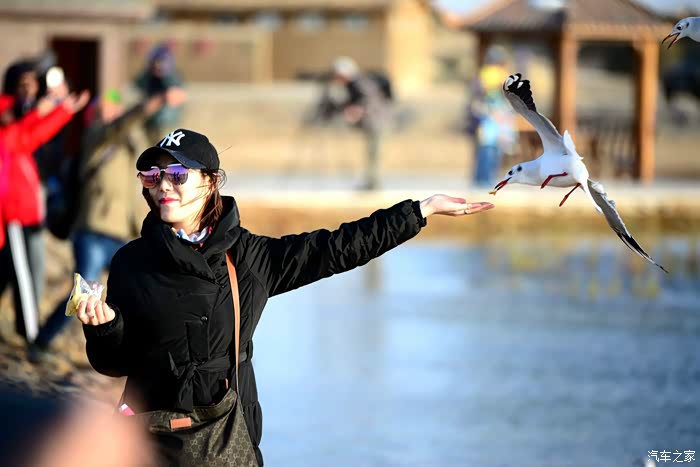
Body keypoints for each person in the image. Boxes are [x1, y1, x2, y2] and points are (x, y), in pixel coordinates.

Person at [76, 128, 494, 466]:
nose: (164, 187)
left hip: (225, 438)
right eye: (152, 177)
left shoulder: (250, 258)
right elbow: (115, 363)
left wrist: (420, 211)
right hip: (148, 441)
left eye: (177, 175)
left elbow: (337, 247)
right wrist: (104, 328)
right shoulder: (131, 261)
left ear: (210, 181)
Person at [29, 89, 174, 361]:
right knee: (84, 292)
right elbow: (119, 125)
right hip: (93, 231)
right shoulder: (95, 135)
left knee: (138, 290)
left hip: (121, 235)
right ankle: (42, 342)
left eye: (115, 104)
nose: (112, 109)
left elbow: (151, 152)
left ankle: (138, 353)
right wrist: (154, 102)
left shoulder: (129, 141)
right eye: (105, 105)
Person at [0, 90, 90, 343]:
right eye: (9, 112)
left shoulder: (12, 138)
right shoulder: (7, 139)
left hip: (21, 217)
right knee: (23, 279)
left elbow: (29, 129)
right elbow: (33, 132)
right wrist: (61, 110)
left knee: (11, 273)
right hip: (14, 217)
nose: (14, 115)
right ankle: (31, 336)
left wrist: (56, 108)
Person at [326, 56, 393, 190]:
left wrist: (357, 110)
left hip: (377, 122)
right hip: (373, 123)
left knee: (374, 153)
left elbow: (370, 100)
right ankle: (371, 182)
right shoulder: (352, 84)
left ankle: (373, 183)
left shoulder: (359, 83)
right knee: (372, 153)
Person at [465, 46, 517, 187]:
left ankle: (486, 179)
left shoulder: (497, 75)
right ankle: (483, 179)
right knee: (487, 150)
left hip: (498, 120)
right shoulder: (484, 76)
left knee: (493, 150)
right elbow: (478, 97)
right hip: (487, 118)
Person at [135, 43, 186, 142]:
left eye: (160, 63)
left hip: (165, 123)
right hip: (151, 122)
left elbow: (175, 95)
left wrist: (158, 100)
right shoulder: (148, 77)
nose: (157, 67)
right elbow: (138, 85)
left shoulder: (171, 78)